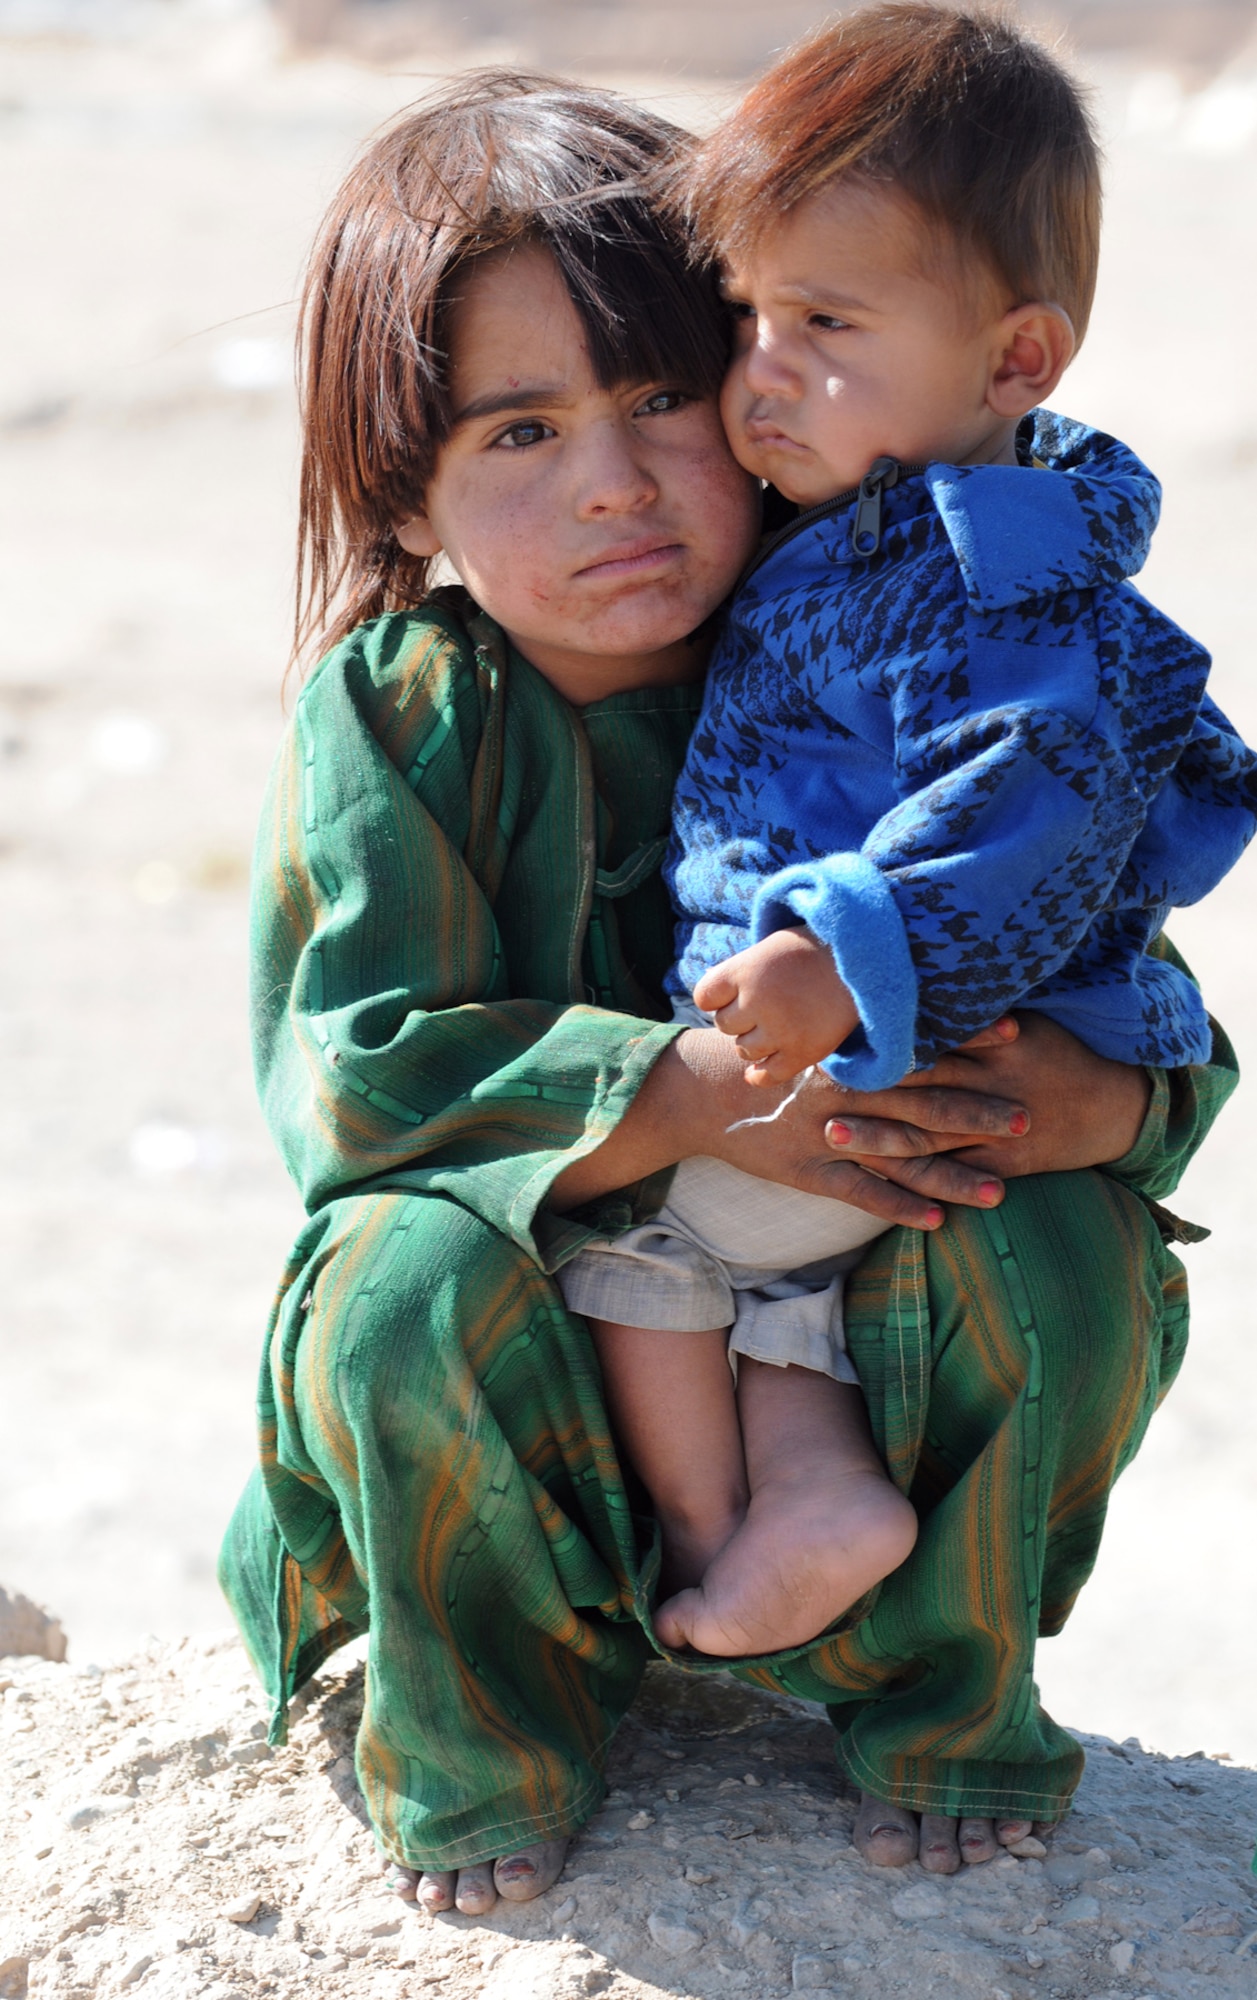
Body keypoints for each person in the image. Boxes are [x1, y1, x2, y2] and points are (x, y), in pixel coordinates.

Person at [217, 69, 1238, 1913]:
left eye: (663, 394)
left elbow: (1108, 964)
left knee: (1059, 1246)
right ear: (408, 486)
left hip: (843, 1325)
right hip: (546, 1367)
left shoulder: (883, 639)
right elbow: (356, 1080)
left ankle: (926, 1697)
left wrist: (1093, 1103)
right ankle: (495, 1734)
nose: (613, 482)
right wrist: (676, 1093)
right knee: (393, 1283)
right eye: (517, 432)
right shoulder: (406, 713)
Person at [558, 2, 1257, 1664]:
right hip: (863, 1068)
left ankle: (721, 1541)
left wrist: (837, 960)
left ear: (1015, 360)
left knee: (628, 1238)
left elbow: (1026, 798)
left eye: (824, 324)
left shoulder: (981, 580)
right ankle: (812, 1501)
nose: (759, 377)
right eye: (745, 319)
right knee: (782, 1305)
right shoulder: (900, 526)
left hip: (882, 1049)